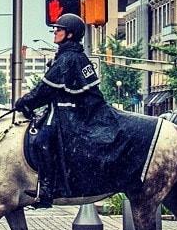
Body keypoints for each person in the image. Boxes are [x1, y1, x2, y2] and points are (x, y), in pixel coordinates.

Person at [14, 13, 111, 209]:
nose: (55, 32)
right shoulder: (72, 56)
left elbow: (45, 90)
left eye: (59, 29)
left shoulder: (68, 58)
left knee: (42, 140)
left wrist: (24, 102)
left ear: (69, 34)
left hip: (72, 113)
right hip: (72, 109)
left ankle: (47, 191)